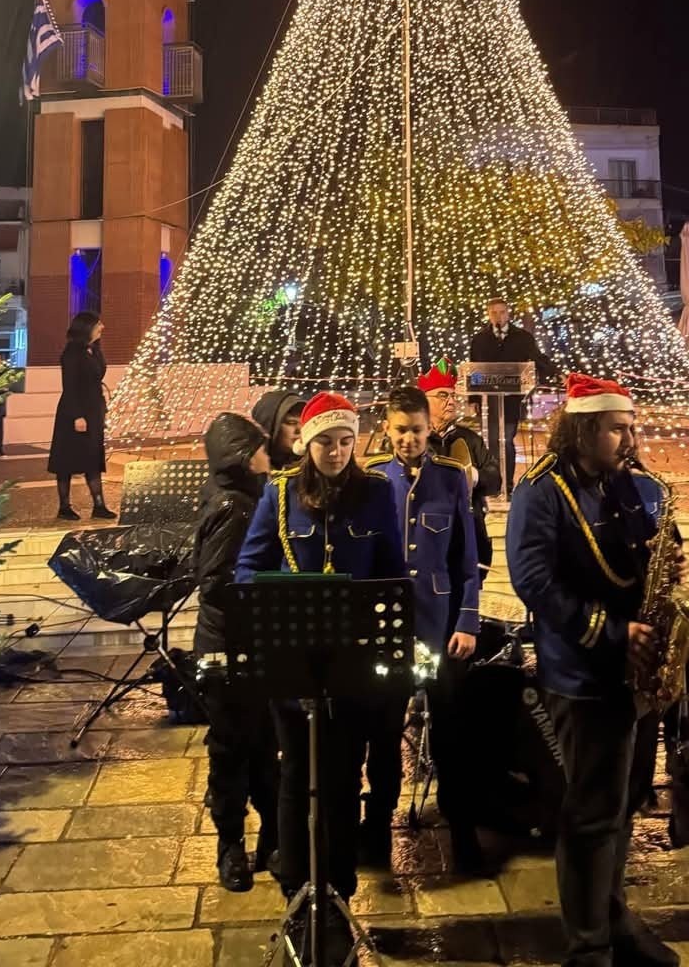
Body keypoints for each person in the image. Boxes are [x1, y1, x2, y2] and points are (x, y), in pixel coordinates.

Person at [507, 372, 682, 967]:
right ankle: (588, 947)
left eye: (630, 427)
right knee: (589, 813)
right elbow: (533, 581)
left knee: (626, 800)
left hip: (635, 671)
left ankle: (614, 918)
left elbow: (651, 551)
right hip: (581, 672)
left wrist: (668, 555)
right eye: (617, 428)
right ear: (584, 429)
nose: (628, 438)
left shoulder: (627, 484)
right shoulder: (541, 490)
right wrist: (608, 633)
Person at [235, 392, 405, 957]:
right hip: (293, 660)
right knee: (295, 777)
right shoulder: (279, 494)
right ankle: (296, 887)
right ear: (306, 444)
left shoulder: (377, 493)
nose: (335, 451)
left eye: (344, 440)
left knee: (341, 776)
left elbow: (390, 572)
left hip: (351, 664)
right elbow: (250, 567)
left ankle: (338, 887)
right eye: (325, 441)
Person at [364, 385, 483, 874]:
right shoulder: (372, 478)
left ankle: (464, 831)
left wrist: (468, 620)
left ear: (429, 428)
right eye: (400, 431)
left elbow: (466, 559)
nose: (408, 439)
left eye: (416, 430)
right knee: (383, 731)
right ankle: (375, 830)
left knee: (453, 734)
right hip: (389, 627)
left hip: (440, 625)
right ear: (387, 430)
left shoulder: (452, 478)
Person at [193, 413, 279, 893]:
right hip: (230, 647)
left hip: (244, 642)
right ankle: (231, 845)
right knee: (233, 747)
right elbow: (217, 582)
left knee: (263, 742)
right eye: (262, 449)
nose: (270, 456)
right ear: (246, 457)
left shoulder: (238, 497)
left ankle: (271, 835)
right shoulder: (236, 505)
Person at [419, 357, 501, 582]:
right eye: (442, 395)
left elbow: (495, 481)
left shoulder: (470, 438)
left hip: (469, 535)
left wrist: (472, 475)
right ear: (424, 402)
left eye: (453, 395)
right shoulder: (416, 439)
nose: (451, 401)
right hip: (428, 539)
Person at [469, 297, 557, 487]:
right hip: (490, 400)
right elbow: (474, 370)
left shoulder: (522, 337)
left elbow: (537, 359)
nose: (498, 316)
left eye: (502, 312)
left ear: (508, 314)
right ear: (488, 314)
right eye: (494, 313)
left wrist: (555, 373)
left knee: (507, 438)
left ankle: (507, 481)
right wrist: (474, 398)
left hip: (513, 399)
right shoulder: (480, 339)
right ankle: (493, 481)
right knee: (492, 440)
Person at [47, 311, 116, 521]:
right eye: (98, 324)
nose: (102, 327)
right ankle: (64, 506)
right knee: (66, 460)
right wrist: (77, 416)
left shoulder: (93, 350)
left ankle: (99, 505)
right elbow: (70, 386)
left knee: (93, 459)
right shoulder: (72, 354)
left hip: (94, 410)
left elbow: (96, 378)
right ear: (87, 328)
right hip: (73, 412)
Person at [251, 389, 305, 470]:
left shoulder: (314, 472)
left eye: (303, 423)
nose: (300, 429)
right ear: (270, 426)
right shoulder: (248, 473)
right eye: (291, 422)